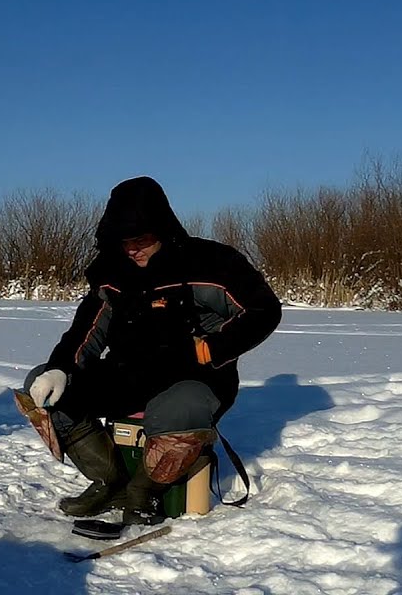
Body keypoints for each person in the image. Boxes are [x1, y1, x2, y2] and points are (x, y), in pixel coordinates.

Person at [19, 176, 281, 524]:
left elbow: (263, 310)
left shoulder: (210, 262)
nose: (132, 249)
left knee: (176, 410)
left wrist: (210, 350)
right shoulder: (111, 273)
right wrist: (60, 367)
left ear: (162, 228)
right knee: (44, 389)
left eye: (140, 238)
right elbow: (86, 331)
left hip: (196, 377)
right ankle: (109, 483)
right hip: (129, 375)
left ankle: (145, 492)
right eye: (123, 241)